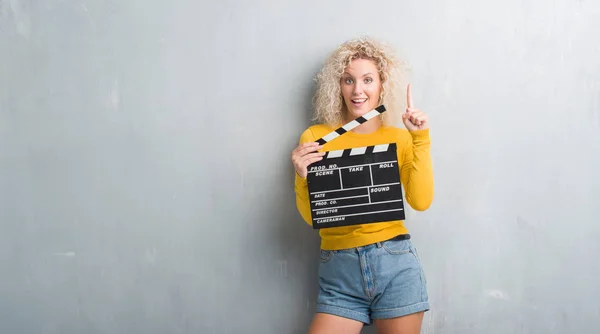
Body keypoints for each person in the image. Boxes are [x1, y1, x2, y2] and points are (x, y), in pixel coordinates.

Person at [291, 37, 434, 334]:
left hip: (394, 264)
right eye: (348, 80)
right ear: (337, 86)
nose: (358, 90)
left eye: (368, 79)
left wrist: (420, 138)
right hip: (338, 272)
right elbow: (311, 218)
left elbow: (420, 201)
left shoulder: (400, 138)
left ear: (382, 84)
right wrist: (302, 177)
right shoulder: (315, 138)